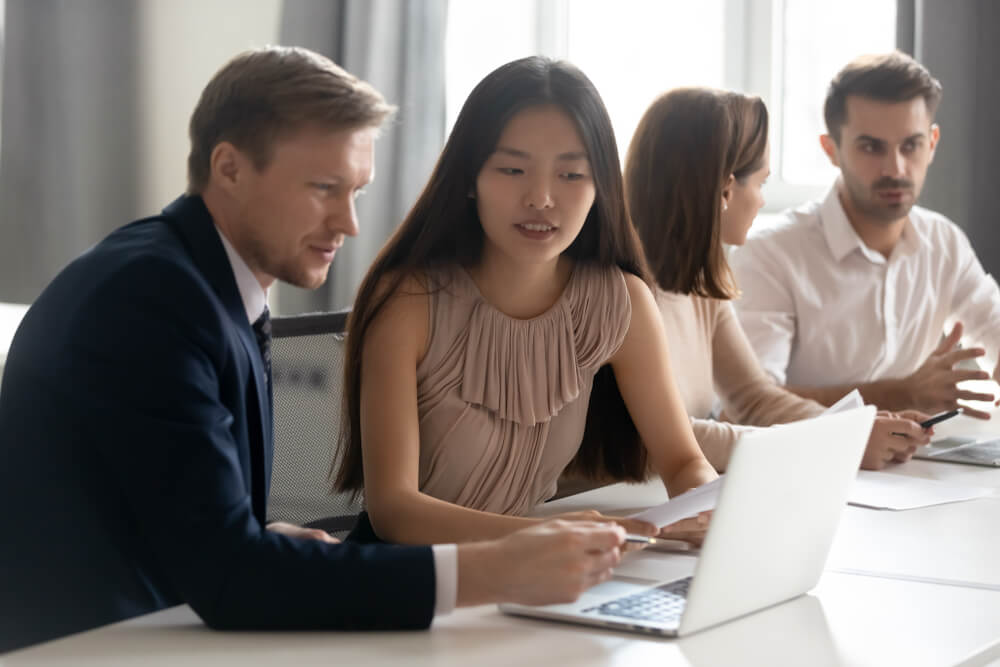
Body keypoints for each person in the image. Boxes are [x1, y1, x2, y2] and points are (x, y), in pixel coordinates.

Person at [0, 47, 630, 654]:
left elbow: (178, 519)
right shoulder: (152, 302)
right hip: (81, 649)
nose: (349, 223)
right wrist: (495, 571)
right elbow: (229, 578)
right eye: (325, 188)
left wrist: (263, 539)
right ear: (230, 169)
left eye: (356, 191)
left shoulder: (202, 283)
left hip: (153, 628)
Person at [333, 56, 718, 547]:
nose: (540, 198)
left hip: (528, 586)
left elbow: (685, 461)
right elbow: (395, 513)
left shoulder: (618, 302)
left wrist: (702, 508)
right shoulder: (410, 301)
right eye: (512, 169)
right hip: (409, 582)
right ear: (470, 178)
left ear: (601, 187)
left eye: (571, 175)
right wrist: (547, 538)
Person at [624, 87, 931, 471]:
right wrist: (834, 443)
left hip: (659, 502)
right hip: (600, 511)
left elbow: (755, 398)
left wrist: (854, 428)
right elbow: (665, 436)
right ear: (724, 188)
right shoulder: (619, 293)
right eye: (761, 183)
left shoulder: (701, 285)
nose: (762, 201)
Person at [729, 51, 1000, 419]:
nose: (895, 168)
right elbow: (746, 407)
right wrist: (900, 394)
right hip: (803, 468)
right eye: (871, 147)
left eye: (911, 145)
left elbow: (993, 327)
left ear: (932, 144)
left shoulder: (943, 242)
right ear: (831, 150)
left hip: (916, 467)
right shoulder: (770, 254)